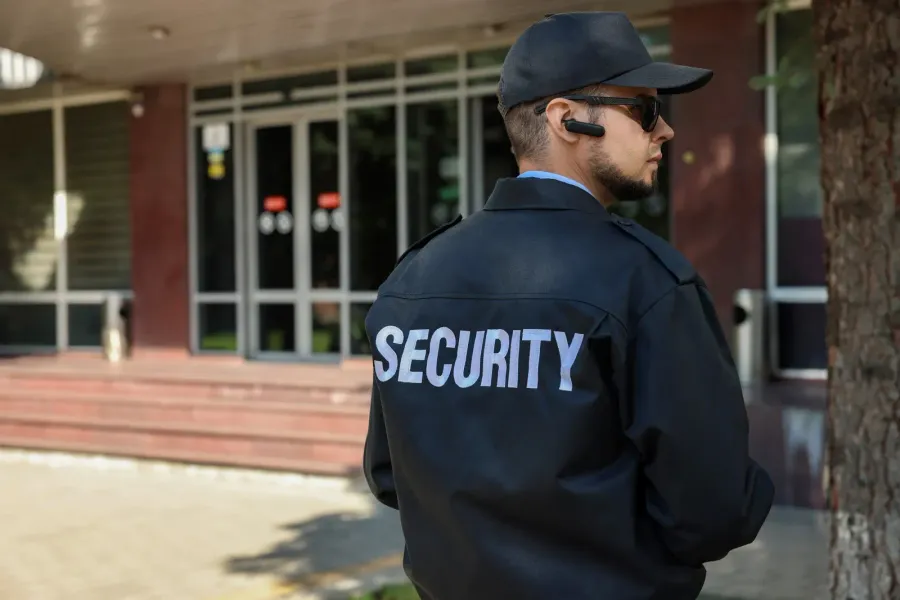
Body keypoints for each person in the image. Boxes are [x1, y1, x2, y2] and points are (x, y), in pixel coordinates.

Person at [362, 11, 774, 600]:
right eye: (644, 109)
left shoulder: (411, 278)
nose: (665, 132)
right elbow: (712, 511)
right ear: (567, 118)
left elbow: (388, 475)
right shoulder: (645, 281)